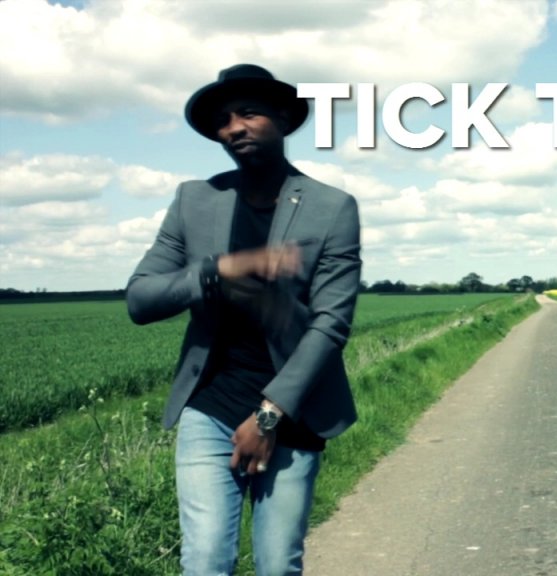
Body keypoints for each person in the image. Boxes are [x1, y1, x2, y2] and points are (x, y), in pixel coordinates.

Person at [126, 64, 362, 575]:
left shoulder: (332, 208)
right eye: (223, 120)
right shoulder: (194, 200)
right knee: (206, 561)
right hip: (209, 406)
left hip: (293, 412)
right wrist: (219, 270)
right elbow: (140, 300)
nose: (234, 127)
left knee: (277, 565)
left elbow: (330, 325)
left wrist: (269, 416)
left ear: (283, 118)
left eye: (249, 113)